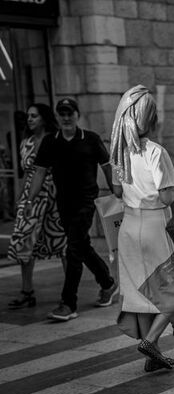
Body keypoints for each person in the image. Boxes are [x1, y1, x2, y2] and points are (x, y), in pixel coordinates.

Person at [109, 85, 174, 371]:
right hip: (155, 225)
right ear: (151, 118)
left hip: (129, 226)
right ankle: (151, 341)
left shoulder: (119, 152)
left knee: (141, 294)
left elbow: (117, 191)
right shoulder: (155, 153)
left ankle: (154, 356)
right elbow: (167, 196)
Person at [29, 97, 118, 322]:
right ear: (58, 116)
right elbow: (39, 171)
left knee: (73, 250)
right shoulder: (50, 142)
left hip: (86, 202)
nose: (66, 117)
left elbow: (108, 168)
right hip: (64, 203)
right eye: (62, 114)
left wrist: (118, 193)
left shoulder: (90, 139)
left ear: (78, 115)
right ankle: (107, 283)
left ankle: (68, 303)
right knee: (82, 246)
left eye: (70, 113)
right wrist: (29, 200)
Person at [7, 104, 66, 309]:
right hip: (31, 196)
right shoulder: (26, 142)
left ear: (44, 118)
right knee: (23, 241)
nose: (30, 119)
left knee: (62, 243)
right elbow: (25, 173)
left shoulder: (55, 139)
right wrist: (20, 198)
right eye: (29, 116)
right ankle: (26, 290)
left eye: (34, 116)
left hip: (54, 193)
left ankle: (69, 293)